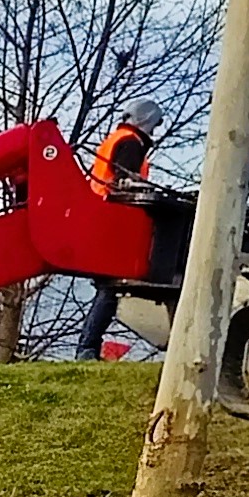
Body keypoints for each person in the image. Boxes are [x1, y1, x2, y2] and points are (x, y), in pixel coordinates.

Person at [74, 102, 163, 360]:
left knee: (108, 289)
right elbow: (124, 184)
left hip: (101, 217)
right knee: (110, 289)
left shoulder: (116, 139)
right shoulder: (131, 143)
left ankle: (88, 348)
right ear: (147, 121)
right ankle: (87, 349)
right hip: (113, 221)